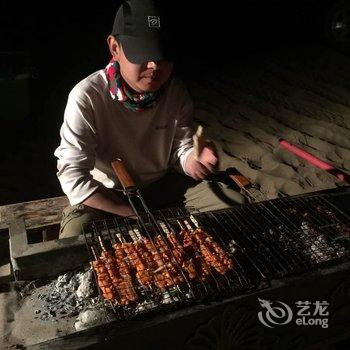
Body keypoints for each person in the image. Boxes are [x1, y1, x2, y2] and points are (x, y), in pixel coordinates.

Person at [54, 0, 245, 238]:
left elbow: (180, 147)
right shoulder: (87, 97)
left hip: (163, 188)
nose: (155, 65)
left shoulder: (174, 92)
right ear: (115, 48)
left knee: (234, 206)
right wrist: (135, 215)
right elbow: (73, 175)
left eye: (162, 55)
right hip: (110, 195)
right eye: (143, 54)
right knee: (75, 234)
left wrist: (192, 161)